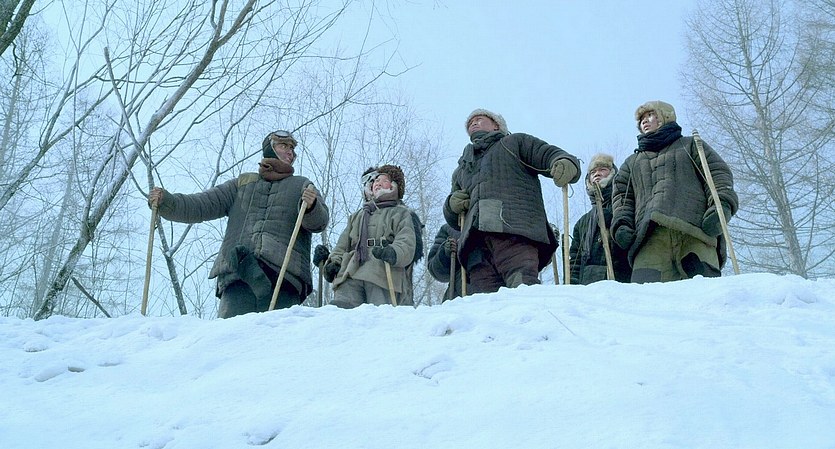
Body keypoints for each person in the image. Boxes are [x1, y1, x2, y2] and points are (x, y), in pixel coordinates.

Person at [147, 130, 329, 318]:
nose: (290, 152)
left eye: (292, 149)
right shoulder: (242, 184)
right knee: (231, 334)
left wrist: (312, 206)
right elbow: (201, 204)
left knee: (277, 333)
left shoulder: (302, 185)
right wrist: (167, 202)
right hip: (238, 277)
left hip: (284, 278)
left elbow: (320, 222)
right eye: (284, 146)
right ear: (269, 149)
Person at [443, 108, 580, 294]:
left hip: (513, 231)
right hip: (476, 247)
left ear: (496, 125)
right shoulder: (463, 168)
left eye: (480, 119)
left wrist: (565, 162)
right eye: (470, 123)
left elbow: (547, 153)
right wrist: (451, 206)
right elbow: (455, 218)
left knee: (522, 290)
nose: (473, 123)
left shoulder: (514, 142)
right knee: (485, 304)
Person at [611, 100, 738, 283]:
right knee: (645, 297)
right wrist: (621, 224)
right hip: (649, 240)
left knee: (706, 293)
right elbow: (622, 198)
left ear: (665, 116)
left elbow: (717, 175)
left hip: (695, 232)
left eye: (650, 115)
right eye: (641, 119)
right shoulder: (631, 163)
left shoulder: (690, 145)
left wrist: (721, 206)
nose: (644, 121)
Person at [317, 165, 419, 308]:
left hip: (382, 271)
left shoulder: (400, 213)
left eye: (384, 180)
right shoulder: (357, 216)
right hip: (352, 269)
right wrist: (334, 261)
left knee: (378, 313)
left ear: (394, 186)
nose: (377, 183)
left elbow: (406, 241)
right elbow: (342, 245)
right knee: (342, 307)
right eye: (376, 180)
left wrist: (394, 252)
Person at [569, 153, 631, 284]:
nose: (597, 174)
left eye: (603, 169)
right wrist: (572, 286)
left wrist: (614, 220)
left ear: (613, 174)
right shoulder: (582, 223)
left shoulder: (625, 208)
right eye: (593, 172)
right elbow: (575, 261)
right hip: (588, 287)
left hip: (621, 284)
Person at [426, 223, 465, 301]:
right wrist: (445, 254)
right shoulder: (450, 228)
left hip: (489, 297)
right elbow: (436, 272)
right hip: (459, 298)